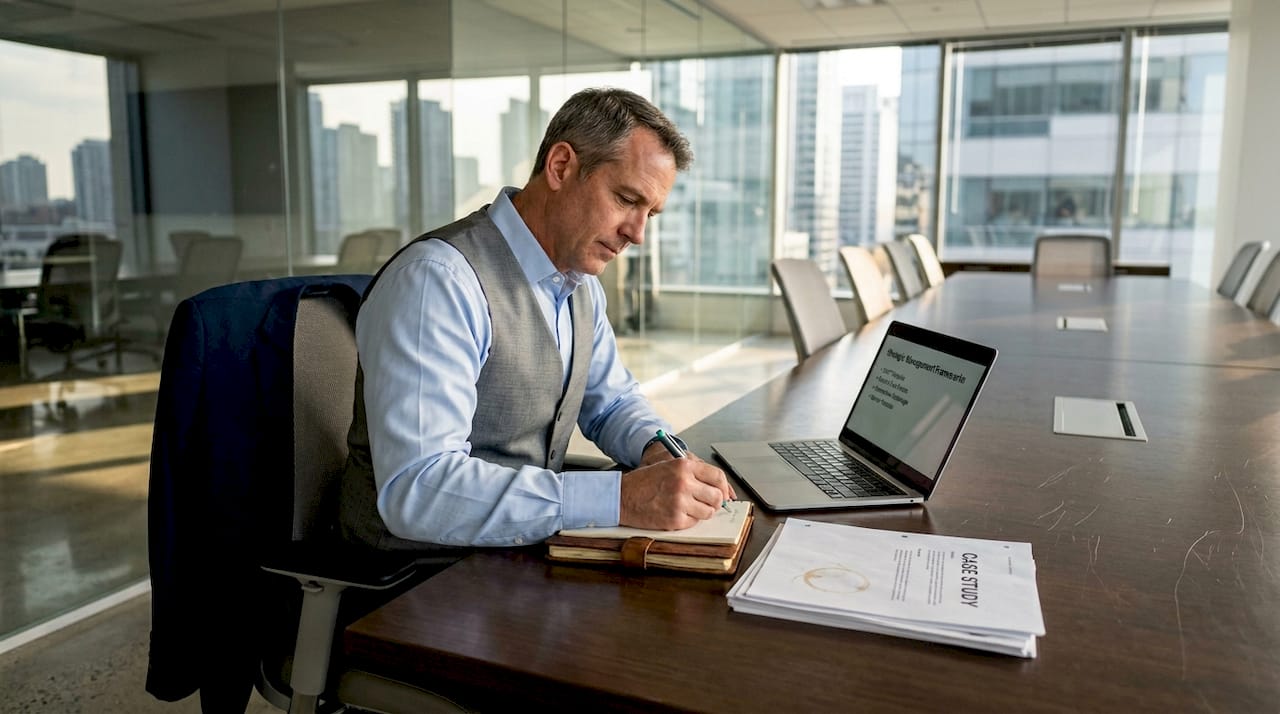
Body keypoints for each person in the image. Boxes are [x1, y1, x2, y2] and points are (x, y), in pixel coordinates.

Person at [340, 87, 735, 551]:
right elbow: (419, 488)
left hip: (520, 555)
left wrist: (662, 451)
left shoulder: (579, 282)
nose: (638, 233)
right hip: (416, 580)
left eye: (651, 212)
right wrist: (620, 497)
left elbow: (611, 402)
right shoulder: (437, 282)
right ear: (561, 166)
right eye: (627, 199)